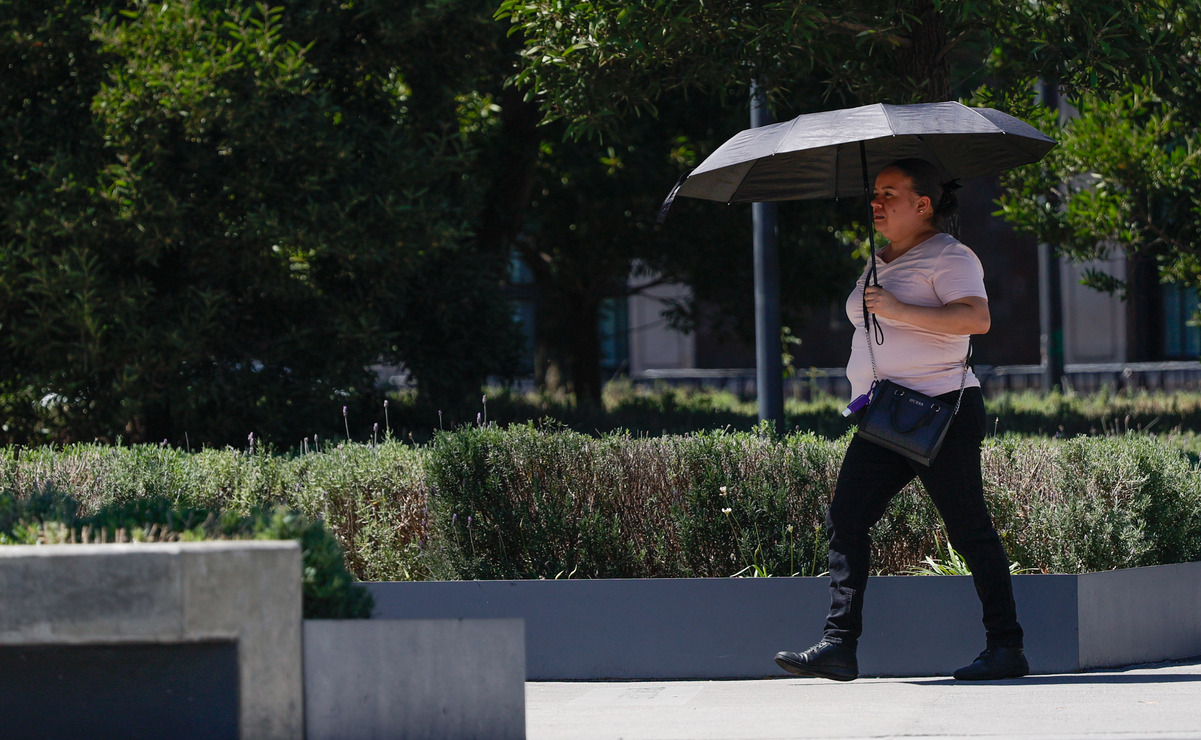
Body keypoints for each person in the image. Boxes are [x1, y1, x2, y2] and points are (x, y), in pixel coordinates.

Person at [774, 158, 1027, 682]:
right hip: (887, 411)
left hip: (940, 409)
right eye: (875, 192)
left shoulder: (951, 255)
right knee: (846, 518)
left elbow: (975, 318)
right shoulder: (878, 259)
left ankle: (1007, 647)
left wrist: (898, 310)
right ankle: (839, 645)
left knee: (969, 529)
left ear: (923, 204)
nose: (876, 202)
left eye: (889, 193)